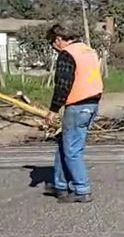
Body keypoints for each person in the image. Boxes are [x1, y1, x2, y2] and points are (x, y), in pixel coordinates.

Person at [44, 24, 103, 203]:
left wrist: (53, 110)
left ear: (59, 39)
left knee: (72, 150)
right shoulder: (88, 51)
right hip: (92, 103)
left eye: (53, 44)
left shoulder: (67, 54)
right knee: (64, 145)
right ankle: (60, 185)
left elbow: (63, 85)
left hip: (77, 105)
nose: (54, 48)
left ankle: (81, 189)